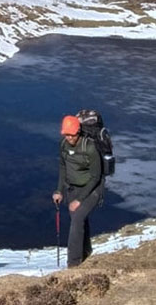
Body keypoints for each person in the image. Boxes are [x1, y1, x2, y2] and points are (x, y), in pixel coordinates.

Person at [51, 114, 103, 267]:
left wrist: (79, 200)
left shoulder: (90, 148)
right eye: (66, 134)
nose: (69, 138)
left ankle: (73, 264)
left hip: (93, 189)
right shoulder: (63, 145)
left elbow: (95, 177)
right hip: (73, 189)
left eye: (72, 135)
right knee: (80, 220)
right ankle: (86, 252)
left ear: (78, 132)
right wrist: (59, 190)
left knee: (77, 218)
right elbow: (63, 168)